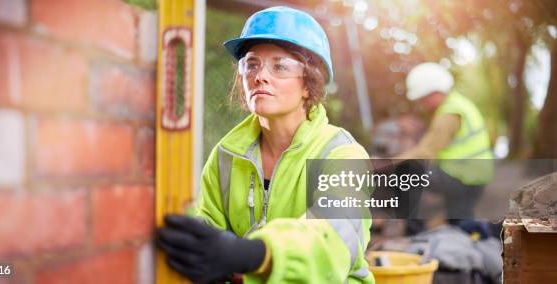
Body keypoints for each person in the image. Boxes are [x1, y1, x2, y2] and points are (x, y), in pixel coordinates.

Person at [156, 6, 374, 284]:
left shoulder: (342, 154)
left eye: (280, 66)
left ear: (309, 83)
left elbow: (332, 242)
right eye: (252, 64)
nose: (260, 76)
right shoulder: (226, 155)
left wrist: (251, 254)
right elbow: (207, 227)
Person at [395, 62, 494, 231]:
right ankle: (475, 237)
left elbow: (426, 152)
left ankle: (415, 231)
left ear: (433, 93)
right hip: (475, 175)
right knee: (460, 220)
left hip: (461, 175)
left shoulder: (449, 114)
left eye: (423, 98)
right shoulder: (460, 104)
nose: (423, 103)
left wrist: (387, 163)